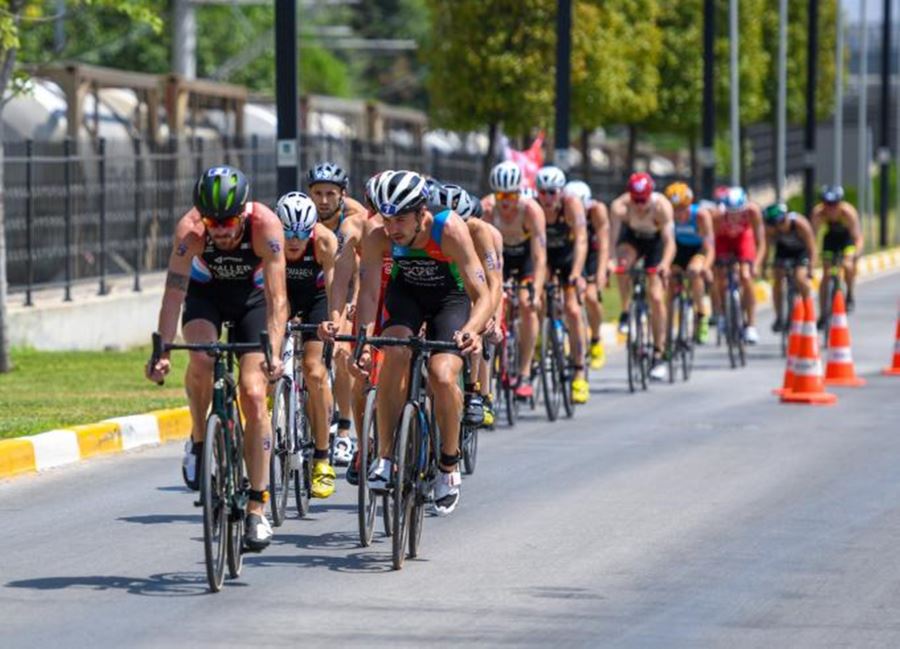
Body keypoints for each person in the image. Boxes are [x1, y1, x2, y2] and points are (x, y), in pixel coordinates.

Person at [145, 165, 287, 552]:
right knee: (202, 358)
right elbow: (173, 295)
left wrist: (274, 352)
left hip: (252, 302)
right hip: (205, 297)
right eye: (212, 221)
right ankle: (197, 437)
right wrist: (160, 351)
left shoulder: (266, 226)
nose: (220, 230)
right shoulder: (190, 230)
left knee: (255, 395)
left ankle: (257, 506)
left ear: (243, 213)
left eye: (227, 221)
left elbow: (277, 300)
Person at [353, 170, 492, 516]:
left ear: (421, 213)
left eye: (400, 219)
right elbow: (369, 295)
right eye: (386, 218)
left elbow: (482, 293)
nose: (392, 228)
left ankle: (448, 464)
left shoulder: (449, 229)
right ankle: (385, 456)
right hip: (407, 296)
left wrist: (473, 330)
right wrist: (365, 341)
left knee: (443, 374)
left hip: (451, 298)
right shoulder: (376, 234)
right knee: (394, 350)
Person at [275, 191, 339, 499]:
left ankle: (322, 459)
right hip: (282, 294)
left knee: (314, 371)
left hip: (317, 298)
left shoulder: (324, 241)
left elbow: (333, 288)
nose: (294, 240)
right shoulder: (270, 240)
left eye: (302, 233)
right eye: (288, 231)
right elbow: (268, 288)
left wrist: (334, 323)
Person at [305, 162, 367, 465]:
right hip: (311, 280)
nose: (324, 200)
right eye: (317, 193)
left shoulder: (354, 218)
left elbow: (358, 270)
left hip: (347, 282)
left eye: (331, 193)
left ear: (342, 195)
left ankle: (343, 430)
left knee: (342, 354)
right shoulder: (301, 213)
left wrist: (352, 304)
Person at [431, 182, 505, 427]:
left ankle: (474, 391)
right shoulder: (429, 229)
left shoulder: (481, 232)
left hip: (471, 284)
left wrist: (493, 318)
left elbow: (494, 283)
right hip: (440, 283)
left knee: (475, 322)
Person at [481, 161, 547, 400]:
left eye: (511, 194)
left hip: (526, 259)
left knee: (528, 306)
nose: (506, 201)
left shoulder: (531, 210)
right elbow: (482, 252)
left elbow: (540, 255)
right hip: (501, 259)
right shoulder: (487, 209)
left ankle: (526, 371)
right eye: (501, 195)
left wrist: (536, 290)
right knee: (492, 309)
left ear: (519, 192)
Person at [610, 172, 675, 381]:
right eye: (635, 200)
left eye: (643, 200)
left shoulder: (661, 207)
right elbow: (612, 240)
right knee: (622, 265)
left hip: (655, 243)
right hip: (633, 240)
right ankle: (626, 309)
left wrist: (664, 264)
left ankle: (658, 352)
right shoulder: (620, 207)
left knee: (656, 297)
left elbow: (669, 242)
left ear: (651, 194)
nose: (639, 205)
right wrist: (610, 261)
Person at [535, 165, 590, 404]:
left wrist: (577, 273)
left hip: (568, 258)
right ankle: (540, 345)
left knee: (573, 309)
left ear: (561, 191)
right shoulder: (534, 206)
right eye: (543, 192)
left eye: (553, 192)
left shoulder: (572, 204)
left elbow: (581, 240)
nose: (548, 198)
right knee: (536, 299)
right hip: (544, 257)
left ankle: (579, 371)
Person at [564, 179, 610, 370]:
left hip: (591, 254)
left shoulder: (597, 211)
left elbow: (604, 244)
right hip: (572, 255)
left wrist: (600, 273)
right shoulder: (562, 210)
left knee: (591, 297)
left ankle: (596, 338)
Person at [713, 186, 765, 344]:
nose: (734, 216)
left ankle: (751, 325)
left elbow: (761, 242)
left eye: (738, 212)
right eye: (731, 212)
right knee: (720, 276)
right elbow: (711, 241)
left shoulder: (752, 212)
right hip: (723, 240)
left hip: (743, 238)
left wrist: (756, 264)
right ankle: (722, 313)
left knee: (746, 276)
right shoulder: (718, 216)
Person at [664, 182, 715, 343]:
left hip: (697, 250)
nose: (678, 214)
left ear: (689, 205)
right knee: (671, 282)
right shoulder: (667, 217)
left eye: (682, 209)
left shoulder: (701, 216)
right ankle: (668, 329)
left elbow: (710, 247)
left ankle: (701, 314)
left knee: (694, 271)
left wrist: (706, 267)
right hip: (678, 250)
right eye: (674, 209)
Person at [810, 185, 863, 320]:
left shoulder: (848, 212)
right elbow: (812, 238)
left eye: (834, 204)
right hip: (830, 240)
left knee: (847, 265)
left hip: (846, 240)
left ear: (840, 202)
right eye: (827, 204)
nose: (831, 208)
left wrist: (856, 254)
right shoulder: (818, 213)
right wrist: (813, 256)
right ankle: (822, 314)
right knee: (826, 275)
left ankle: (850, 293)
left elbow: (857, 237)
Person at [763, 202, 816, 330]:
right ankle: (779, 316)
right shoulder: (771, 230)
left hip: (801, 252)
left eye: (781, 222)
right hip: (783, 251)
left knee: (800, 278)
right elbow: (767, 249)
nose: (779, 227)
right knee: (777, 279)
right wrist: (764, 267)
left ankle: (808, 309)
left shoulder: (800, 224)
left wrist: (811, 268)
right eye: (774, 224)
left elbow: (812, 248)